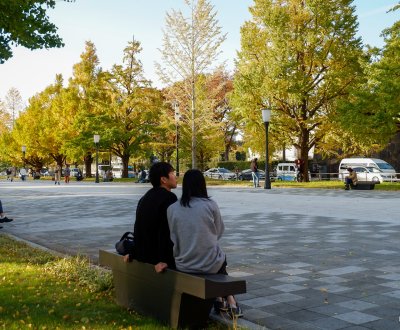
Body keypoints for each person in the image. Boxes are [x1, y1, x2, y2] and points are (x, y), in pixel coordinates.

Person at [167, 169, 243, 318]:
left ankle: (222, 299)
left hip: (184, 264)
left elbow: (173, 236)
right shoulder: (210, 205)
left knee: (215, 254)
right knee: (218, 256)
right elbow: (219, 231)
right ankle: (230, 300)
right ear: (202, 184)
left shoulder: (172, 209)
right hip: (210, 263)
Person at [124, 162, 178, 273]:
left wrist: (134, 252)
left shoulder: (146, 197)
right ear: (163, 179)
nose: (176, 176)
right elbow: (165, 230)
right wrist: (164, 259)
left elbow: (139, 227)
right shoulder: (169, 198)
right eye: (172, 173)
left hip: (142, 253)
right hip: (157, 258)